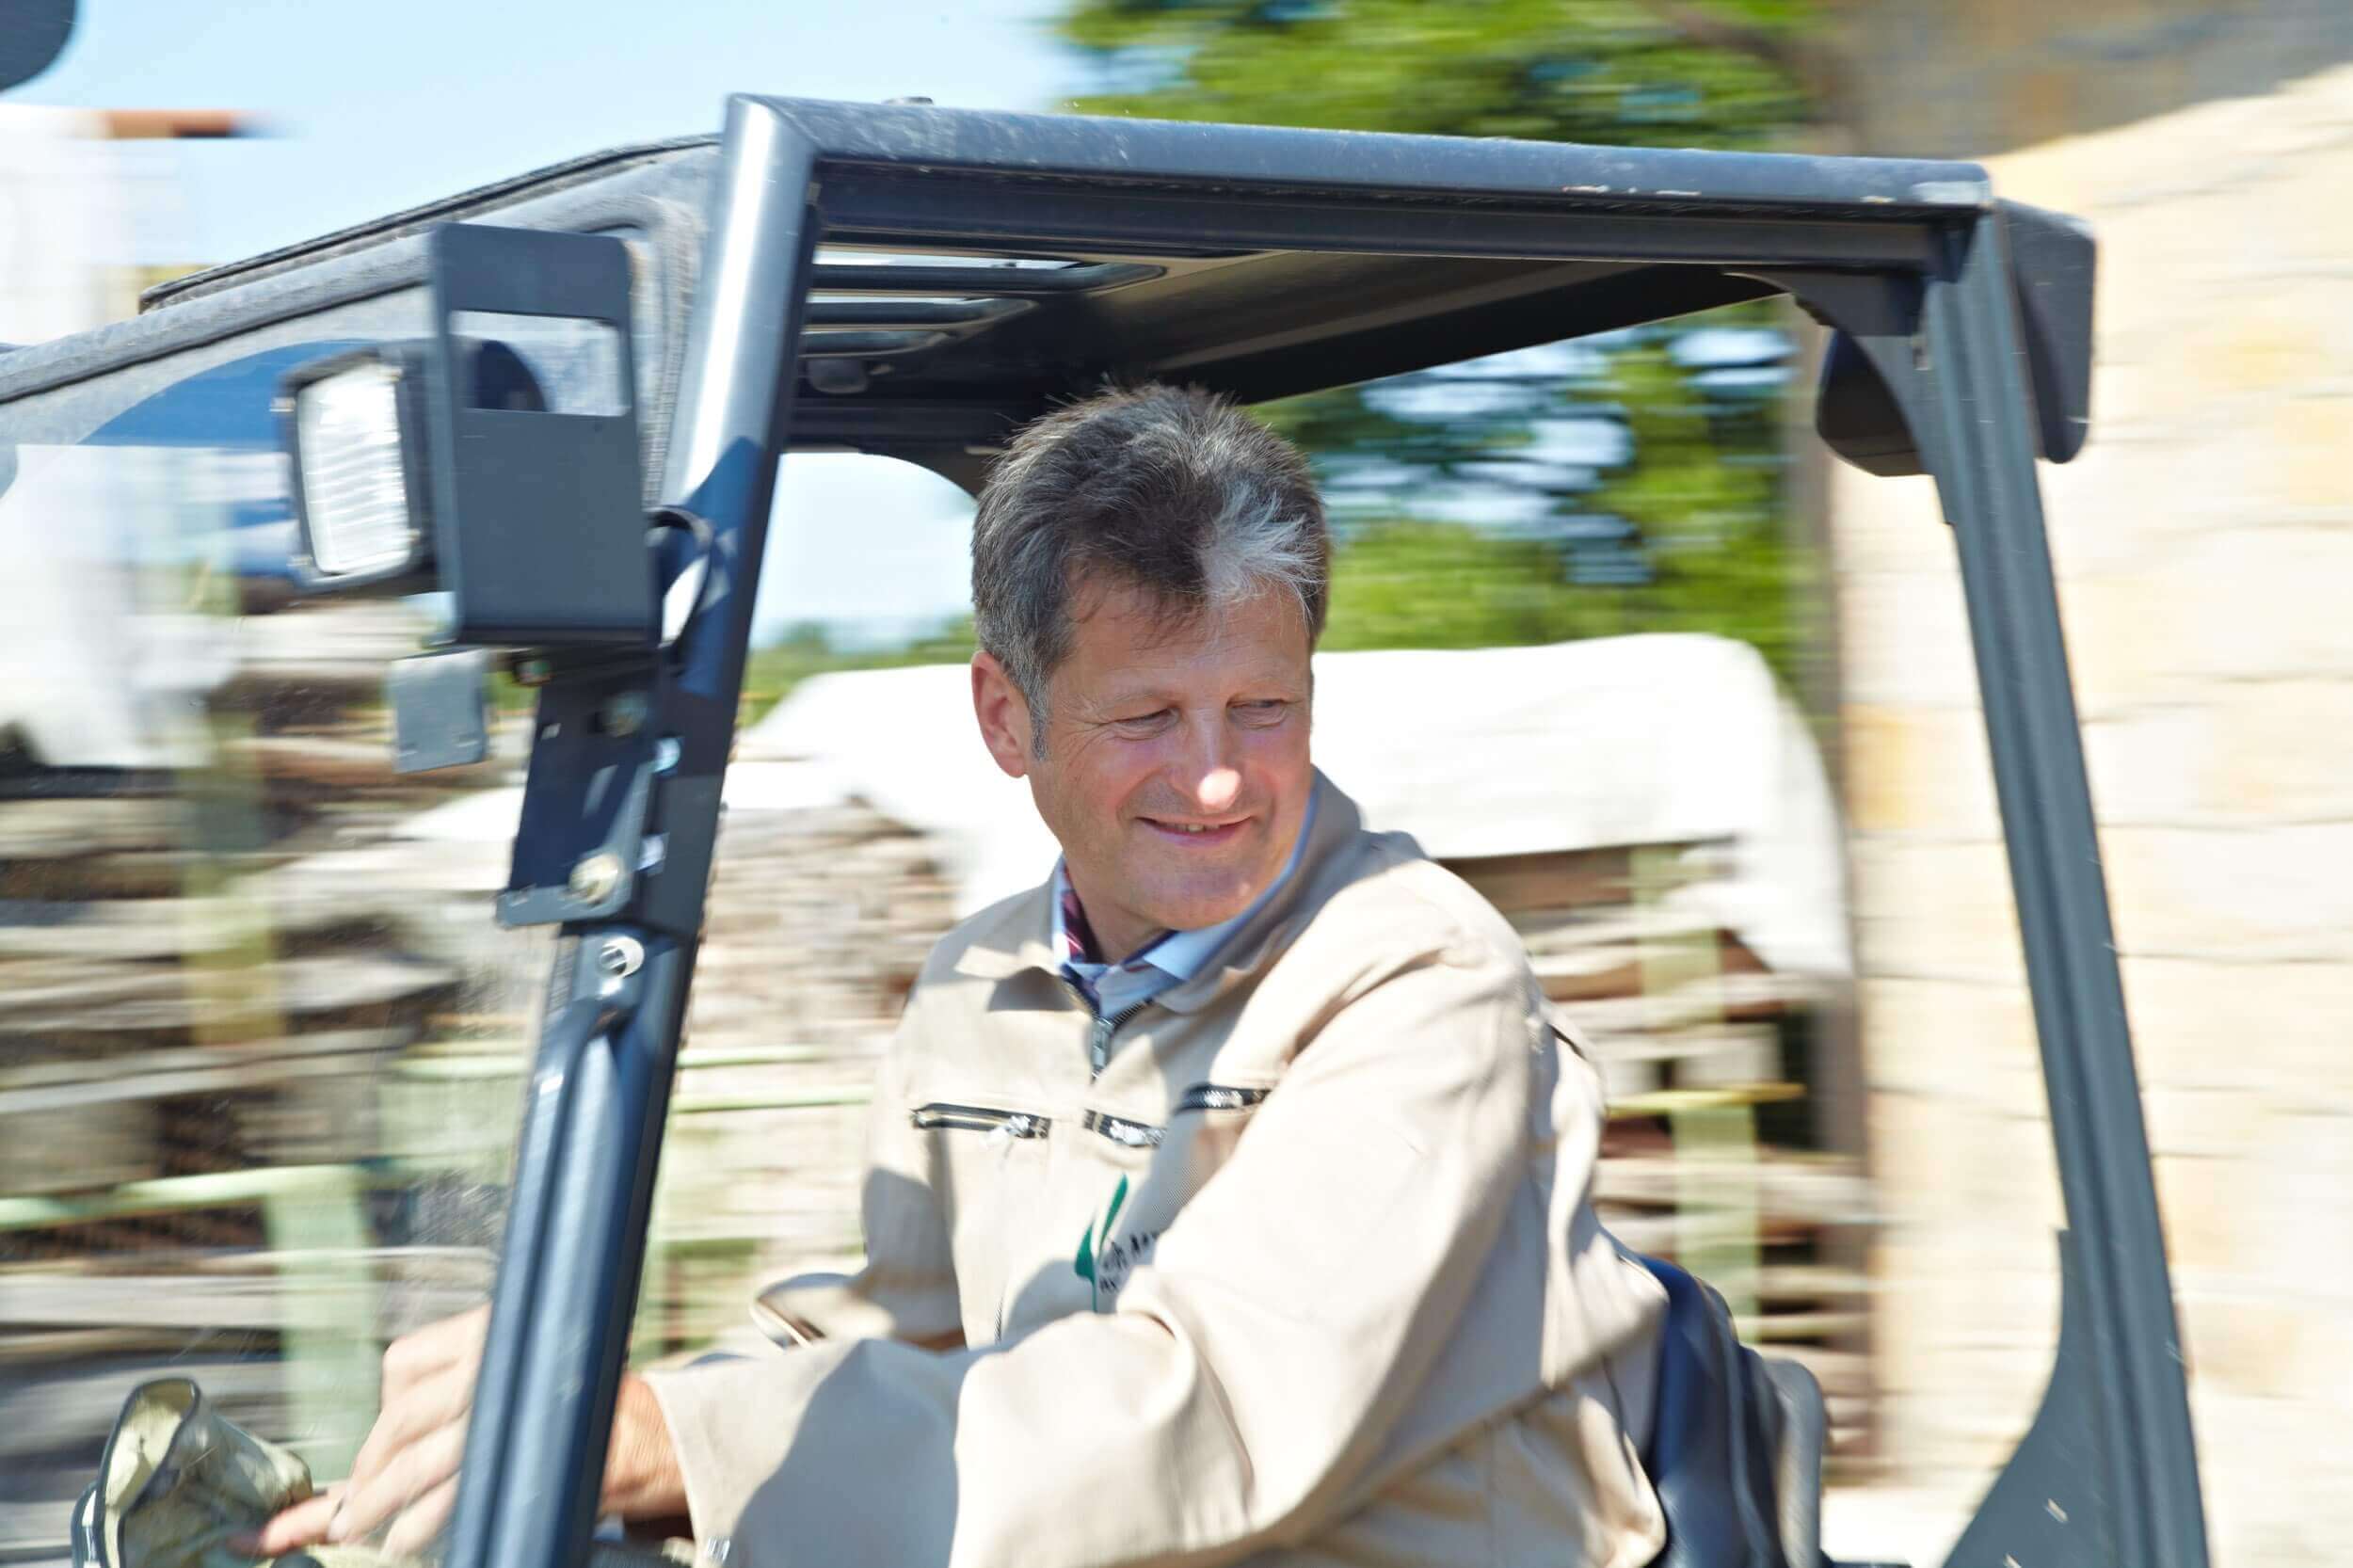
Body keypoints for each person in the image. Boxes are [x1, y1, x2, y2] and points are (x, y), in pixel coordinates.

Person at [256, 383, 1668, 1568]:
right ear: (1009, 714)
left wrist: (667, 1444)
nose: (1220, 775)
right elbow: (889, 1325)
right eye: (1147, 716)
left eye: (1263, 706)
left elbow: (1211, 1413)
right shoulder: (983, 977)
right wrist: (586, 1422)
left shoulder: (1419, 975)